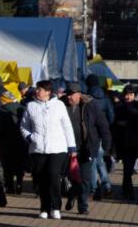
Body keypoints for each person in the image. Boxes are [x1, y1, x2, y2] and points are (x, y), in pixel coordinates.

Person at [20, 80, 77, 219]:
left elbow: (67, 126)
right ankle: (44, 208)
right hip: (37, 148)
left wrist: (72, 147)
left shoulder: (59, 105)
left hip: (57, 148)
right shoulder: (31, 106)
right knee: (41, 179)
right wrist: (30, 137)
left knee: (53, 175)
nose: (36, 91)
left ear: (48, 92)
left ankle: (56, 207)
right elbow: (24, 126)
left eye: (40, 89)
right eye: (37, 89)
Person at [62, 82, 112, 215]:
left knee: (85, 178)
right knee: (70, 176)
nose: (69, 97)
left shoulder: (91, 105)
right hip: (67, 148)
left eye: (72, 94)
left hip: (86, 148)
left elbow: (103, 126)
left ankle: (83, 205)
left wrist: (107, 146)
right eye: (67, 94)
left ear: (79, 94)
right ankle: (72, 194)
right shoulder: (61, 105)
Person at [113, 85, 138, 201]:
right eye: (126, 94)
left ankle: (126, 190)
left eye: (131, 95)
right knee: (127, 167)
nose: (128, 97)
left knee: (128, 168)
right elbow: (114, 122)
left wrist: (134, 116)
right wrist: (120, 124)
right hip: (122, 142)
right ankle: (129, 191)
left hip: (135, 142)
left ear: (134, 95)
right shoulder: (119, 106)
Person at [85, 74, 114, 199]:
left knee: (92, 161)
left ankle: (93, 189)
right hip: (103, 133)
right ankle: (107, 185)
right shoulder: (106, 99)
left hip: (91, 134)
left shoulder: (87, 98)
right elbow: (112, 116)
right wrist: (105, 126)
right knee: (100, 161)